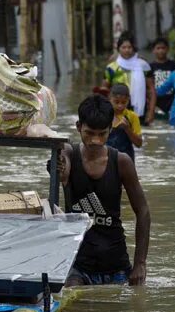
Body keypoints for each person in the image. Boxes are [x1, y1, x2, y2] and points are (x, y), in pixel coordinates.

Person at [57, 95, 150, 287]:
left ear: (110, 130)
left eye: (102, 134)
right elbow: (60, 162)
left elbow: (143, 211)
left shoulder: (121, 162)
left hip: (116, 265)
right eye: (89, 133)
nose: (96, 141)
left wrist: (140, 263)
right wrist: (59, 168)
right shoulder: (69, 153)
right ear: (78, 127)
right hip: (78, 266)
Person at [102, 32, 155, 125]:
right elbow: (104, 89)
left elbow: (151, 90)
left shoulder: (143, 65)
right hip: (116, 107)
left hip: (139, 109)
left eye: (129, 47)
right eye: (123, 47)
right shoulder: (111, 67)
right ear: (119, 49)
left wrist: (151, 112)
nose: (127, 50)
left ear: (133, 48)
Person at [105, 83, 142, 162]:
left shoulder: (132, 117)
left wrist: (127, 129)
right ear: (109, 99)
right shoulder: (104, 115)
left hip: (127, 159)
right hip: (106, 159)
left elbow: (139, 144)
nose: (120, 106)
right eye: (116, 102)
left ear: (128, 100)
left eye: (123, 102)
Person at [149, 36, 175, 117]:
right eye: (158, 48)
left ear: (168, 49)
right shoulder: (150, 67)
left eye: (163, 48)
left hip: (173, 103)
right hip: (156, 104)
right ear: (153, 50)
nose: (161, 51)